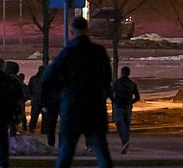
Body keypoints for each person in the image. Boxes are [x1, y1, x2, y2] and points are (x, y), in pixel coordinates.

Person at [42, 16, 113, 168]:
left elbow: (47, 78)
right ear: (87, 30)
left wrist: (59, 94)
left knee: (66, 153)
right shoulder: (98, 52)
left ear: (71, 31)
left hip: (72, 107)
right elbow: (107, 78)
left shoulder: (68, 53)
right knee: (102, 153)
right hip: (94, 108)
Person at [109, 65, 140, 155]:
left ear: (121, 73)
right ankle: (125, 141)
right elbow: (137, 97)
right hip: (128, 107)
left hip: (119, 107)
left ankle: (124, 141)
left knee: (119, 125)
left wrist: (114, 101)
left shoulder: (117, 83)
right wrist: (131, 102)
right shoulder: (132, 84)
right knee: (126, 125)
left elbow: (111, 93)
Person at [5, 62, 25, 136]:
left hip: (7, 107)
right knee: (12, 126)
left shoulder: (8, 79)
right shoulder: (16, 80)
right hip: (13, 108)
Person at [27, 66, 45, 134]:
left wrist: (31, 97)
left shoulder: (33, 79)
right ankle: (43, 132)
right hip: (41, 102)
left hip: (37, 101)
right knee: (43, 119)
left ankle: (32, 130)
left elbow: (29, 89)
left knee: (34, 117)